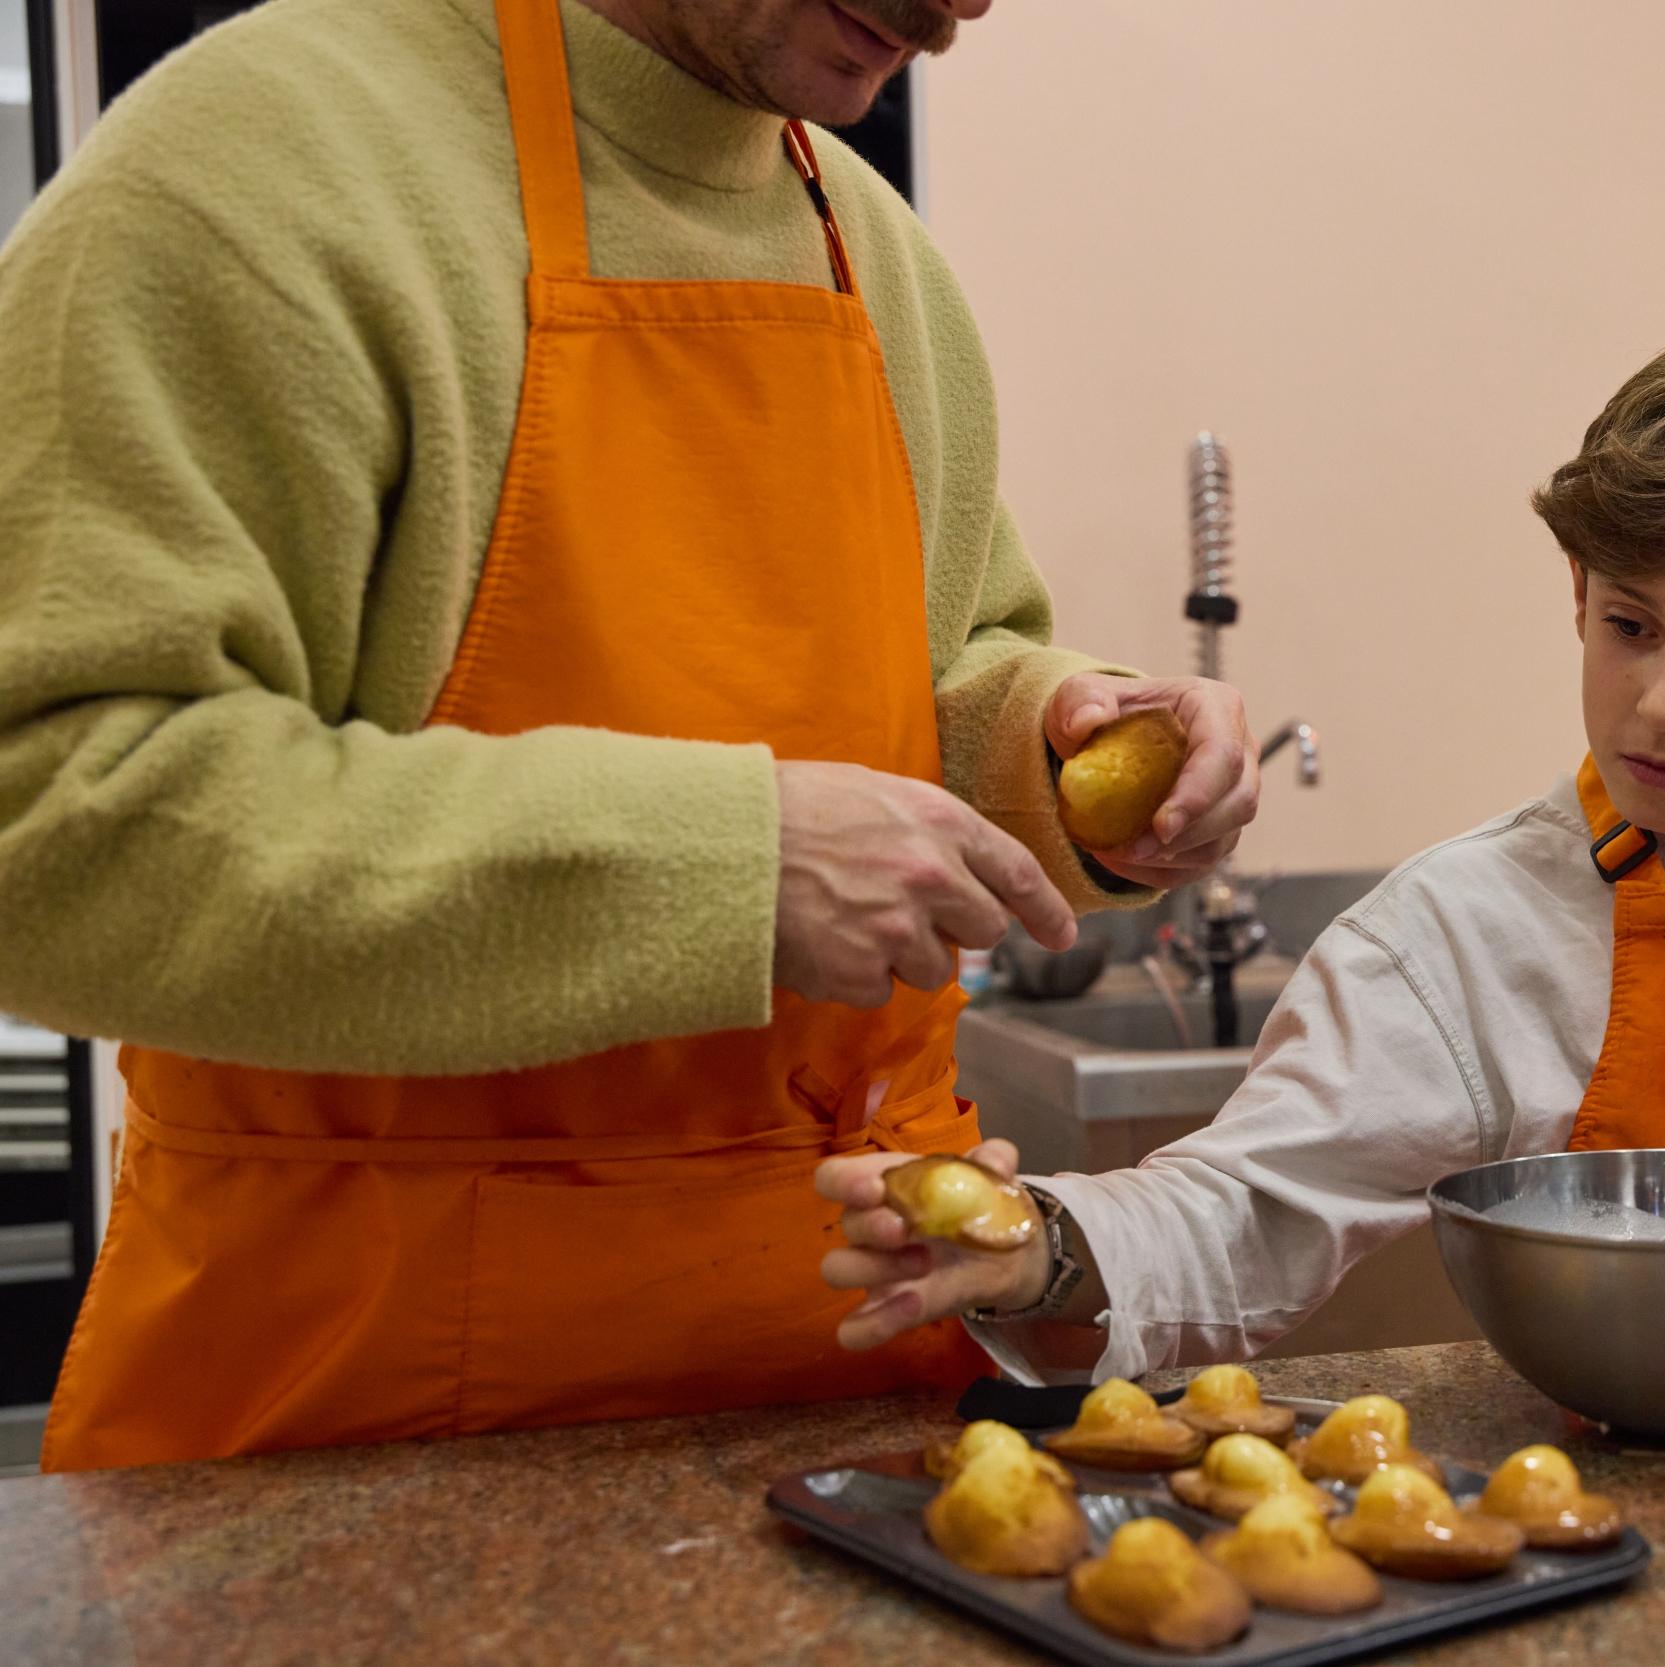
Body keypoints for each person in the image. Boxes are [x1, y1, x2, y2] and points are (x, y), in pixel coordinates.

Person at [0, 0, 1258, 1471]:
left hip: (857, 1422)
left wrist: (1051, 754)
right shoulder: (258, 163)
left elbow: (941, 663)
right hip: (355, 1434)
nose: (962, 6)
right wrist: (732, 862)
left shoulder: (868, 240)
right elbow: (48, 824)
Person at [819, 319, 1665, 1380]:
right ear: (1576, 591)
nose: (1662, 700)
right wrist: (1044, 1242)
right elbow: (1243, 1208)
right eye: (1629, 625)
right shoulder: (1466, 929)